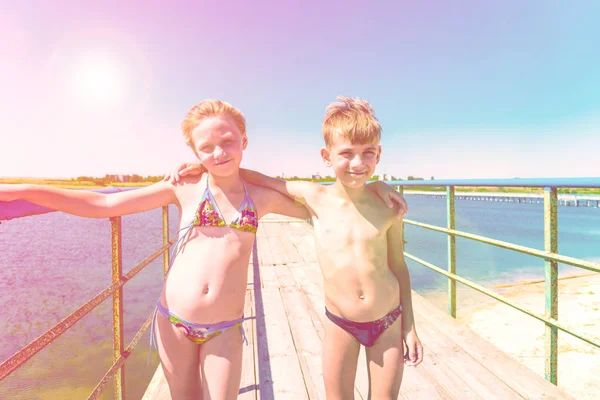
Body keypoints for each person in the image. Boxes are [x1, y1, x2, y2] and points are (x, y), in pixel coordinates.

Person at [0, 99, 408, 400]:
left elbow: (336, 207)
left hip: (225, 330)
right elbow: (106, 204)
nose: (218, 153)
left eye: (227, 142)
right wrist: (22, 192)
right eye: (206, 148)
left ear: (243, 141)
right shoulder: (185, 187)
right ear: (193, 154)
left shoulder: (260, 198)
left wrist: (375, 186)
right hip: (172, 321)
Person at [167, 96, 423, 399]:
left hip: (389, 322)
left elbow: (399, 267)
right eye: (347, 153)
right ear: (326, 155)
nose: (358, 163)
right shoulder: (314, 196)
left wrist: (410, 327)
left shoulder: (389, 206)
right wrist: (204, 163)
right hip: (341, 324)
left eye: (368, 153)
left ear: (378, 154)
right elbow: (251, 176)